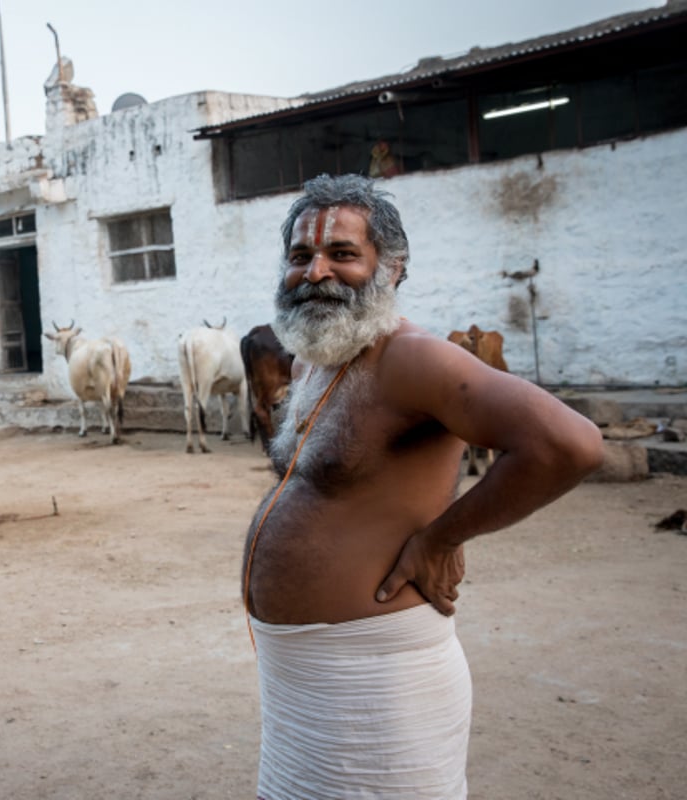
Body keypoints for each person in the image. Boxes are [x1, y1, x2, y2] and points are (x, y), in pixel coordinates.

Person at [242, 173, 603, 800]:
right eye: (301, 256)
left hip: (380, 690)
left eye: (343, 254)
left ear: (394, 268)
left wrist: (440, 539)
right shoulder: (310, 360)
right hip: (298, 688)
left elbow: (568, 444)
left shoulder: (412, 358)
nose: (316, 271)